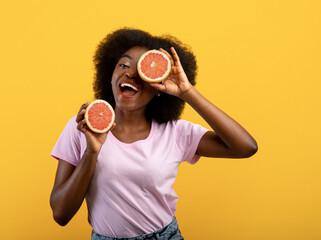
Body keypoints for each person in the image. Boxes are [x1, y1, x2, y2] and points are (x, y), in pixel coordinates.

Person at [50, 28, 258, 240]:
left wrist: (187, 92)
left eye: (143, 71)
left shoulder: (175, 132)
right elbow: (60, 214)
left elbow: (245, 147)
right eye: (123, 64)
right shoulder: (83, 128)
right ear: (110, 76)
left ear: (159, 87)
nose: (130, 73)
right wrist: (91, 153)